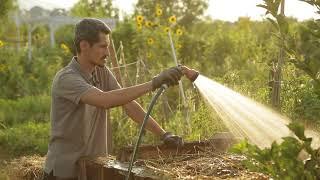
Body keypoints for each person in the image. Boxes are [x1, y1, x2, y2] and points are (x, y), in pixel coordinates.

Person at [43, 18, 184, 180]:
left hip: (92, 168)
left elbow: (129, 104)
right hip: (65, 172)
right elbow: (105, 100)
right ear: (84, 46)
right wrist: (154, 83)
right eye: (103, 47)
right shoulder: (66, 79)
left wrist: (164, 135)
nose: (108, 53)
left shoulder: (101, 72)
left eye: (108, 47)